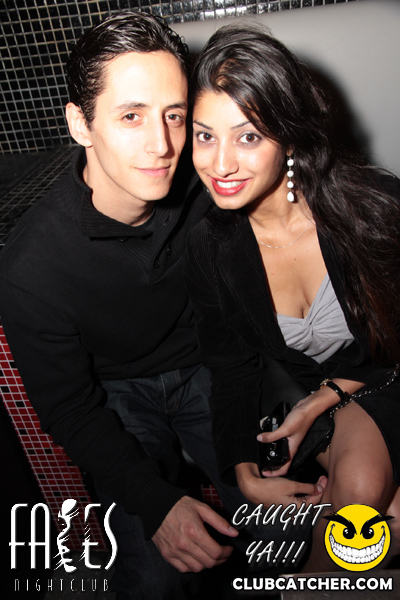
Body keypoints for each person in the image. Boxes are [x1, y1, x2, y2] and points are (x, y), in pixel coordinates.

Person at [0, 13, 321, 599]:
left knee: (290, 531)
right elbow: (69, 408)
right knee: (154, 577)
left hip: (209, 368)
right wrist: (155, 503)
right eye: (131, 116)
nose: (163, 145)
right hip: (117, 393)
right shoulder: (32, 267)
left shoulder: (209, 186)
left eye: (175, 115)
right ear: (80, 124)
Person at [184, 23, 400, 573]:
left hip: (385, 376)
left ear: (291, 138)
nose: (220, 164)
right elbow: (230, 367)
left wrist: (321, 399)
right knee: (365, 516)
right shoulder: (210, 245)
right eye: (205, 135)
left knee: (360, 510)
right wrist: (240, 464)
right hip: (331, 403)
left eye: (248, 137)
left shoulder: (373, 209)